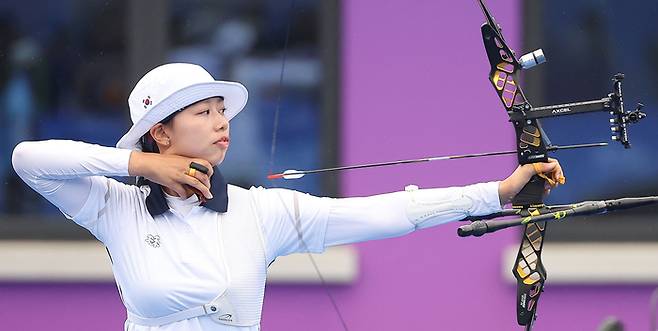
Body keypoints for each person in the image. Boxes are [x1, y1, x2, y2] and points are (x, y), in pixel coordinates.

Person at [11, 63, 564, 330]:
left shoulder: (261, 211)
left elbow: (387, 211)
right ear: (161, 132)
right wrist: (139, 165)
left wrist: (497, 192)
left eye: (221, 111)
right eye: (202, 113)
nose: (221, 123)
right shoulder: (117, 206)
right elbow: (28, 160)